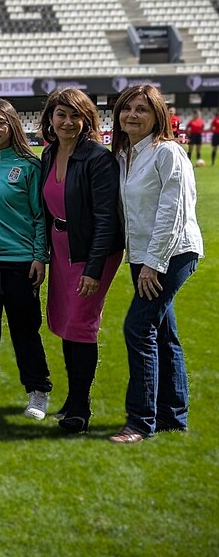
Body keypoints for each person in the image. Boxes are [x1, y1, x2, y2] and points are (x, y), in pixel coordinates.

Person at [110, 84, 203, 444]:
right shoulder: (124, 155)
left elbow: (173, 212)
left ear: (157, 116)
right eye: (127, 108)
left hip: (172, 252)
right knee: (164, 333)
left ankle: (140, 422)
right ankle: (173, 416)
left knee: (138, 327)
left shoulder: (167, 153)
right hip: (143, 255)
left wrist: (153, 264)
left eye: (142, 109)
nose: (132, 114)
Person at [38, 88, 124, 434]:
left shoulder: (97, 158)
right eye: (62, 115)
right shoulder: (48, 154)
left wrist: (93, 268)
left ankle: (80, 406)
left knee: (82, 326)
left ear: (87, 120)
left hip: (91, 251)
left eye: (76, 116)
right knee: (65, 325)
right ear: (51, 119)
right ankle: (72, 399)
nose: (68, 122)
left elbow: (106, 219)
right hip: (61, 248)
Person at [0, 100, 54, 420]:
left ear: (13, 126)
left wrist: (39, 257)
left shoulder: (29, 166)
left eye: (0, 123)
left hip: (19, 260)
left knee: (24, 329)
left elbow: (38, 215)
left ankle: (38, 390)